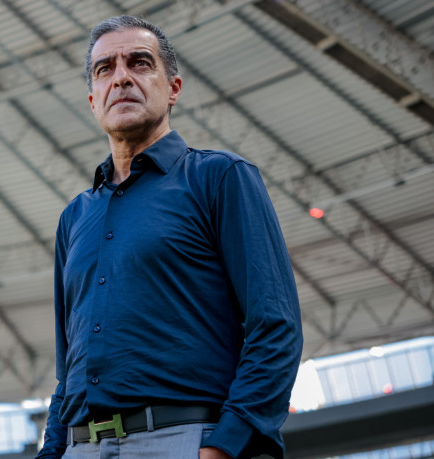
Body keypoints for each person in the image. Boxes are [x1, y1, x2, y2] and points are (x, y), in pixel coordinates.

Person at [35, 15, 303, 459]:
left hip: (187, 438)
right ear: (92, 100)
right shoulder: (74, 217)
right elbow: (68, 370)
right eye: (105, 69)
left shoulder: (219, 177)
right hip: (80, 448)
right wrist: (51, 452)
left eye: (139, 63)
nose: (121, 77)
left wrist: (224, 446)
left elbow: (275, 325)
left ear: (173, 88)